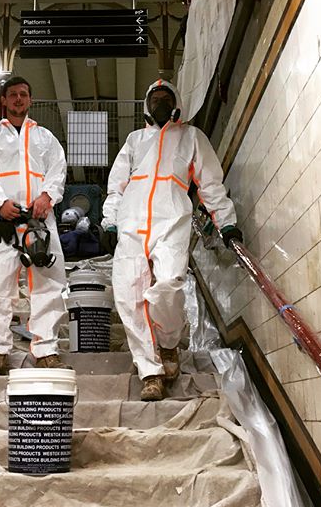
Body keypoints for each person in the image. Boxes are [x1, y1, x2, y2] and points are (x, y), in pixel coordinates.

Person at [102, 79, 242, 401]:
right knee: (129, 295)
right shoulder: (136, 140)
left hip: (172, 219)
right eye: (155, 99)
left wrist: (226, 221)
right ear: (147, 106)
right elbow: (117, 185)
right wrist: (110, 221)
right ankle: (150, 372)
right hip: (131, 221)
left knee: (169, 286)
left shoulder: (191, 137)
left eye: (166, 98)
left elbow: (210, 183)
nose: (160, 103)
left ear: (176, 103)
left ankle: (168, 345)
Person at [0, 76, 70, 376]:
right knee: (0, 285)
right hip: (0, 220)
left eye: (23, 95)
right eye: (12, 95)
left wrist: (47, 196)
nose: (18, 100)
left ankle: (46, 349)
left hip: (38, 220)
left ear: (30, 100)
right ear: (3, 100)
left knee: (47, 284)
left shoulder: (45, 138)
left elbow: (57, 169)